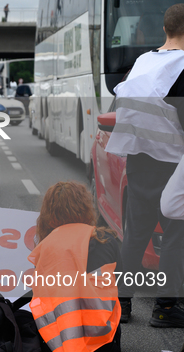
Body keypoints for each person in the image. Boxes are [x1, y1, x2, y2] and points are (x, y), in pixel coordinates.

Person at [104, 4, 184, 327]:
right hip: (174, 165)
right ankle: (165, 306)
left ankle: (121, 302)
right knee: (177, 235)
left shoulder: (141, 63)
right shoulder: (181, 67)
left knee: (136, 233)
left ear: (164, 30)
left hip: (139, 161)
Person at [29, 181, 122, 352]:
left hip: (55, 350)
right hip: (103, 350)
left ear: (48, 215)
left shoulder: (45, 247)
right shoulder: (106, 239)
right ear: (86, 207)